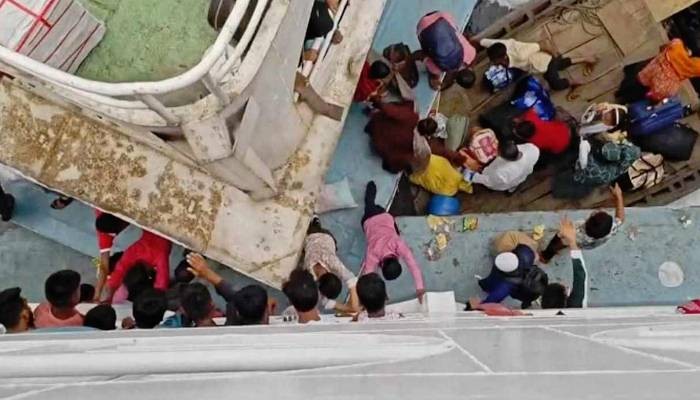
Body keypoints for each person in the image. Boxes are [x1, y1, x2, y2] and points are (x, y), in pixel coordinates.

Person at [361, 181, 426, 303]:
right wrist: (419, 287)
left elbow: (413, 265)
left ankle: (372, 189)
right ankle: (371, 188)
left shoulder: (397, 243)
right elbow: (368, 276)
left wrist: (420, 288)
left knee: (374, 207)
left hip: (383, 217)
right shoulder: (373, 253)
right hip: (370, 220)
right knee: (369, 204)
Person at [365, 101, 465, 173]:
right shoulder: (420, 145)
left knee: (406, 105)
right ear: (427, 135)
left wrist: (376, 102)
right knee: (404, 161)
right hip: (380, 147)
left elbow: (390, 109)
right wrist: (459, 158)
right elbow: (442, 152)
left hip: (375, 127)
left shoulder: (411, 116)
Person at [541, 184, 625, 263]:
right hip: (589, 245)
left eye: (596, 213)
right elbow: (620, 219)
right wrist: (619, 196)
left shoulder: (577, 231)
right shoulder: (611, 229)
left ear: (588, 221)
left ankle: (545, 257)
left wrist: (564, 232)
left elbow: (565, 237)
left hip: (577, 240)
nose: (600, 210)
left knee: (557, 243)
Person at [187, 253, 273, 326]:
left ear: (237, 313)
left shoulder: (230, 328)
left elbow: (234, 297)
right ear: (267, 311)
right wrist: (207, 273)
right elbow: (234, 296)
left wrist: (207, 273)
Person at [480, 38, 596, 91]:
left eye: (494, 60)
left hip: (545, 63)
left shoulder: (520, 55)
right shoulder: (501, 47)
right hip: (538, 65)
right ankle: (585, 59)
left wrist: (555, 55)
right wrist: (480, 41)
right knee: (560, 64)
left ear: (503, 57)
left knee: (555, 83)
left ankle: (574, 82)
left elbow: (541, 45)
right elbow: (486, 42)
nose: (493, 62)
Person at [616, 39, 700, 104]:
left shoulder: (676, 45)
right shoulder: (696, 67)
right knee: (641, 93)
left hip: (648, 72)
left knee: (634, 80)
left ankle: (620, 93)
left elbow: (662, 48)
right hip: (660, 84)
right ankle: (625, 101)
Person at [303, 217, 360, 314]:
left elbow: (351, 279)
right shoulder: (308, 275)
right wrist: (352, 307)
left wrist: (354, 307)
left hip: (324, 238)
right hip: (318, 238)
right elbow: (324, 301)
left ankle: (315, 221)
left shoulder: (332, 261)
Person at [104, 230, 172, 303]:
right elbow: (119, 271)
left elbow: (161, 285)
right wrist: (110, 296)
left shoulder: (160, 256)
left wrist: (110, 297)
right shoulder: (135, 251)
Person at [414, 11, 477, 90]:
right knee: (428, 52)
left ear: (470, 69)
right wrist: (434, 78)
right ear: (455, 80)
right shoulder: (438, 69)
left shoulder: (471, 53)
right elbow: (426, 61)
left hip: (441, 16)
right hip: (422, 26)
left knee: (455, 31)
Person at [475, 244, 547, 309]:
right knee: (527, 299)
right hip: (533, 290)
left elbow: (487, 304)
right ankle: (526, 304)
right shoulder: (525, 253)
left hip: (523, 292)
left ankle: (484, 286)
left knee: (489, 284)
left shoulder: (502, 289)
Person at [541, 217, 589, 309]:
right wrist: (572, 242)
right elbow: (580, 275)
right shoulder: (577, 307)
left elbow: (581, 277)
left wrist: (572, 242)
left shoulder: (576, 306)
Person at [463, 140, 540, 192]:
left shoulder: (501, 172)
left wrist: (473, 176)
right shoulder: (532, 149)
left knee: (495, 182)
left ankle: (510, 187)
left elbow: (489, 181)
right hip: (522, 175)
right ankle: (512, 187)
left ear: (503, 157)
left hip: (500, 183)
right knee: (516, 181)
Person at [94, 211, 129, 302]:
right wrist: (96, 296)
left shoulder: (100, 210)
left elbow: (103, 266)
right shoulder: (105, 236)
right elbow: (103, 266)